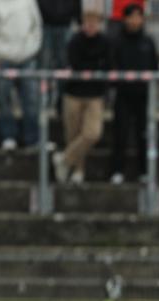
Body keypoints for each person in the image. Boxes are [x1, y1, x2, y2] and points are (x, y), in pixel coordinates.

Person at [53, 8, 111, 185]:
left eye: (94, 23)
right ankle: (77, 170)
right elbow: (75, 63)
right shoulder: (74, 41)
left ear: (99, 25)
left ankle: (63, 159)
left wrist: (91, 67)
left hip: (95, 94)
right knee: (73, 134)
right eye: (87, 23)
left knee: (92, 133)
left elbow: (107, 65)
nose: (90, 26)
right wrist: (94, 65)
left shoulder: (105, 42)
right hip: (73, 94)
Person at [109, 4, 158, 185]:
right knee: (120, 133)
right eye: (131, 17)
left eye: (138, 16)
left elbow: (154, 66)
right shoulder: (117, 41)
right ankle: (117, 170)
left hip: (143, 95)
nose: (135, 21)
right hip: (123, 94)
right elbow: (112, 66)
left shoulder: (148, 41)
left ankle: (144, 171)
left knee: (143, 134)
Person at [0, 0, 43, 151]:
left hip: (27, 58)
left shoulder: (29, 2)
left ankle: (32, 138)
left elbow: (37, 27)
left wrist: (32, 49)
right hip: (3, 59)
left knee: (31, 99)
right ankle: (9, 136)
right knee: (4, 100)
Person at [37, 0, 82, 110]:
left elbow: (76, 4)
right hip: (46, 25)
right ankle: (44, 100)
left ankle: (62, 101)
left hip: (65, 25)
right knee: (44, 64)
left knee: (64, 65)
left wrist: (79, 20)